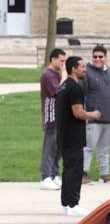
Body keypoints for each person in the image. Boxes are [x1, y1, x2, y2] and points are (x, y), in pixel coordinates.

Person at [56, 57, 101, 217]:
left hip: (63, 135)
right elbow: (78, 112)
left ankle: (65, 205)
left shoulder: (63, 86)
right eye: (82, 67)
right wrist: (93, 115)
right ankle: (73, 204)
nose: (85, 69)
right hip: (73, 137)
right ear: (73, 69)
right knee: (75, 171)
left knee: (68, 170)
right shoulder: (75, 88)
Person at [82, 45, 110, 184]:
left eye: (100, 57)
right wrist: (86, 114)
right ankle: (82, 174)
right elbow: (83, 95)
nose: (97, 59)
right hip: (93, 119)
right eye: (95, 57)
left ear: (105, 58)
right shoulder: (87, 73)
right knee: (88, 147)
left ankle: (105, 174)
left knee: (105, 148)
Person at [39, 47, 66, 190]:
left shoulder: (55, 74)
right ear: (53, 59)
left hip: (60, 116)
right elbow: (58, 91)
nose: (63, 64)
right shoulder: (48, 75)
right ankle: (45, 176)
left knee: (58, 148)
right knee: (49, 148)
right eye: (61, 61)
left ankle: (55, 174)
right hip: (51, 116)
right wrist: (64, 75)